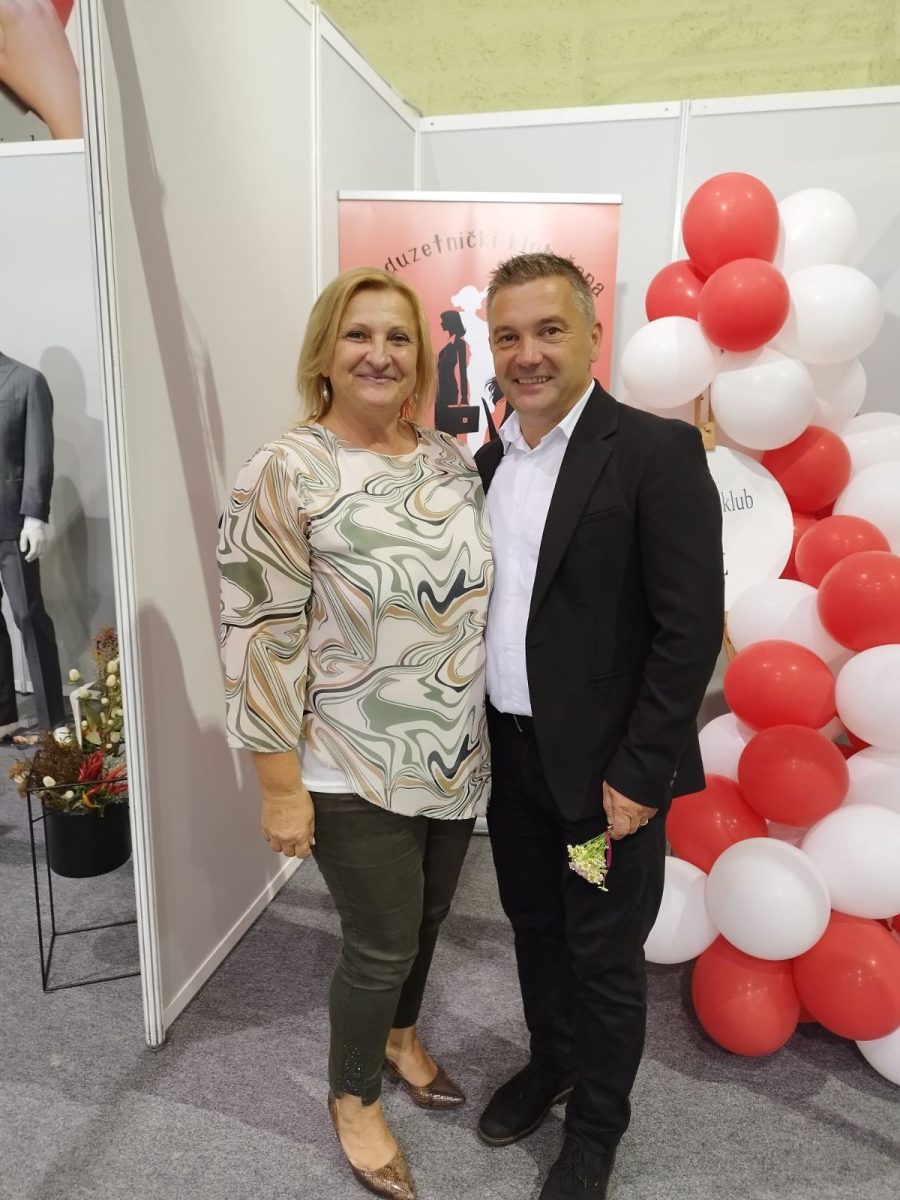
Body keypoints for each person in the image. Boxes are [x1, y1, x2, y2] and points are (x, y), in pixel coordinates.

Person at [218, 267, 492, 1200]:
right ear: (325, 355)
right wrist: (279, 786)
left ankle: (403, 1038)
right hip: (347, 758)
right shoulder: (284, 469)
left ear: (422, 359)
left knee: (428, 919)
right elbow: (258, 634)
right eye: (359, 335)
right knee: (380, 945)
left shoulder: (447, 459)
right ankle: (354, 1096)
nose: (380, 354)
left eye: (399, 338)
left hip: (454, 751)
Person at [474, 252, 723, 1199]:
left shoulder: (653, 452)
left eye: (549, 330)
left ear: (590, 334)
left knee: (602, 952)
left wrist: (641, 772)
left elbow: (688, 629)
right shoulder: (491, 463)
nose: (528, 354)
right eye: (508, 336)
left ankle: (596, 1128)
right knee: (535, 927)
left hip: (601, 787)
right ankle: (555, 1062)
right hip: (516, 768)